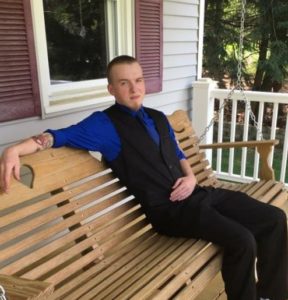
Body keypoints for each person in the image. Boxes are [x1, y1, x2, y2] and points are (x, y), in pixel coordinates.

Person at [0, 55, 287, 300]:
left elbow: (177, 153)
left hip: (199, 193)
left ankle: (271, 294)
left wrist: (190, 178)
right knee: (242, 240)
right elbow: (57, 136)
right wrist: (14, 149)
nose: (133, 88)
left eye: (138, 80)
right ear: (111, 88)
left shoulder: (157, 117)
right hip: (170, 211)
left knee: (274, 218)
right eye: (124, 82)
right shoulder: (104, 125)